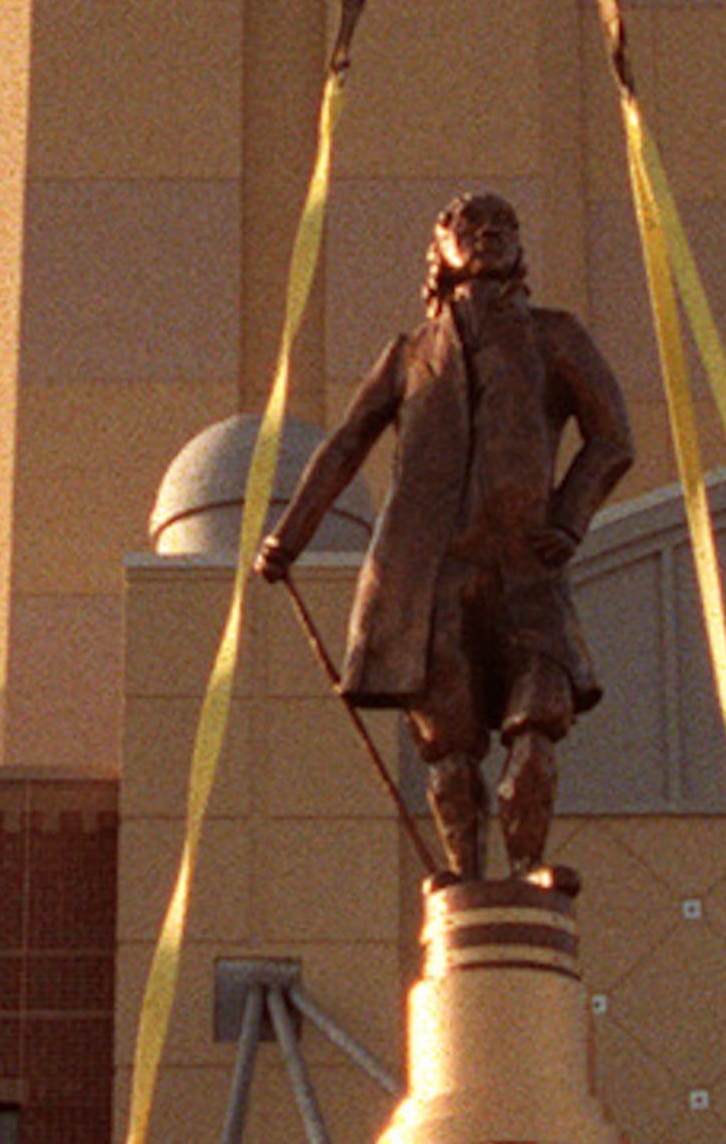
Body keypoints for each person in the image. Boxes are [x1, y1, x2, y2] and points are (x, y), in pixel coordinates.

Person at [260, 186, 635, 883]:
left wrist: (568, 518)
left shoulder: (555, 336)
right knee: (448, 738)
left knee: (537, 719)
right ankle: (465, 877)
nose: (491, 233)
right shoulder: (408, 355)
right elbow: (345, 445)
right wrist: (289, 536)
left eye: (505, 224)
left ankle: (527, 870)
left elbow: (612, 438)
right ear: (442, 251)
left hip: (528, 566)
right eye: (472, 224)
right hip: (432, 576)